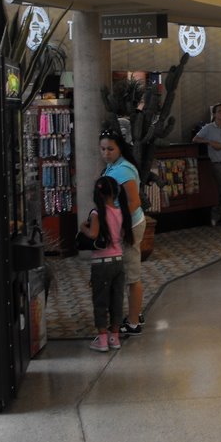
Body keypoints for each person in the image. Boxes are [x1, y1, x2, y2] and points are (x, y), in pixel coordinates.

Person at [97, 127, 147, 336]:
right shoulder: (113, 167)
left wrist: (120, 224)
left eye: (110, 149)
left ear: (120, 148)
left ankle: (133, 322)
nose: (106, 153)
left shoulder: (123, 170)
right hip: (122, 225)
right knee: (126, 272)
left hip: (128, 227)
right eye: (102, 149)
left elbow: (134, 201)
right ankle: (136, 313)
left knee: (131, 274)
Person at [83, 176, 134, 352]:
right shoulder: (121, 213)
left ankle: (103, 340)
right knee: (117, 299)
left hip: (101, 263)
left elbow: (93, 234)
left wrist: (84, 228)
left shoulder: (97, 213)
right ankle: (115, 337)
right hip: (118, 261)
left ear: (98, 193)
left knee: (100, 300)